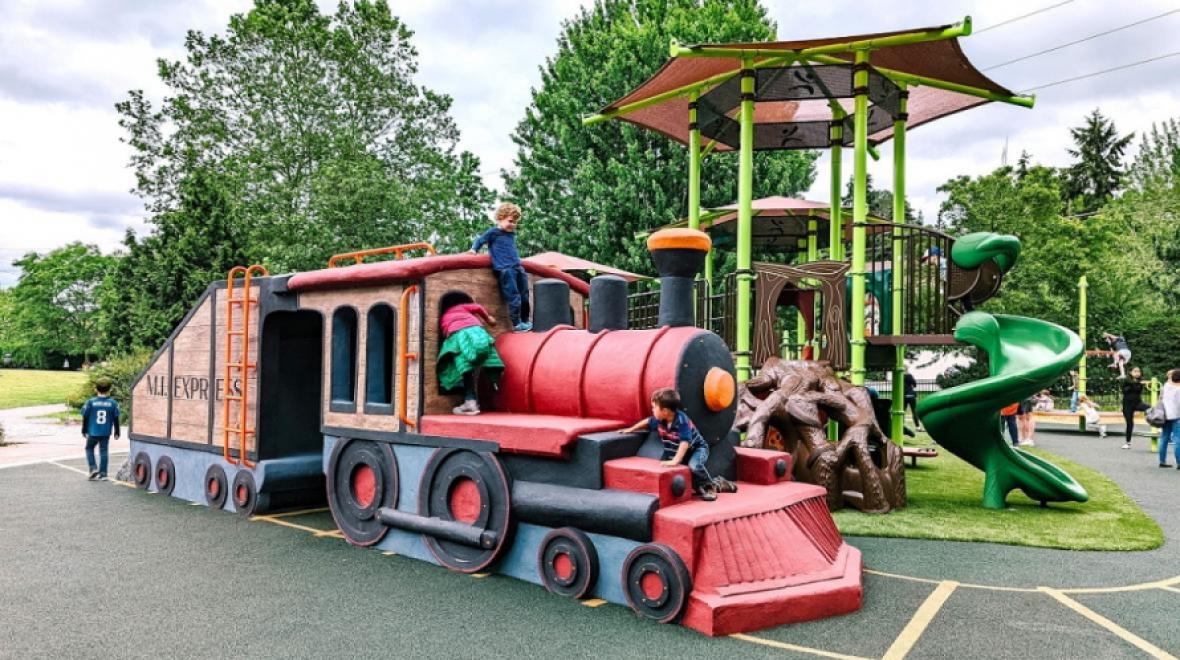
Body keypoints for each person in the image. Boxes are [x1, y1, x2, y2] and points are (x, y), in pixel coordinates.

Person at [620, 388, 717, 501]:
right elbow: (647, 422)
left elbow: (685, 442)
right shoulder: (660, 419)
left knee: (694, 466)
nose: (652, 410)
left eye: (654, 407)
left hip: (697, 449)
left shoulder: (682, 421)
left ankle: (711, 486)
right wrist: (630, 429)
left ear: (665, 411)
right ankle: (717, 483)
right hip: (682, 452)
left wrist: (675, 460)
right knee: (687, 475)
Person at [470, 202, 531, 332]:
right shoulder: (493, 232)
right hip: (505, 269)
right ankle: (516, 324)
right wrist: (473, 250)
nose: (513, 225)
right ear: (500, 218)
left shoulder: (511, 234)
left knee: (525, 294)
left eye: (515, 223)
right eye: (510, 221)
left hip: (517, 267)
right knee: (514, 296)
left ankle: (525, 321)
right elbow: (480, 240)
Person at [437, 299, 504, 416]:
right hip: (479, 331)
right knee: (488, 359)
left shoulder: (445, 316)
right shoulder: (462, 308)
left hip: (458, 334)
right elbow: (477, 307)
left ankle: (470, 402)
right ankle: (494, 385)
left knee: (465, 368)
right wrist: (488, 318)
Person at [81, 377, 121, 481]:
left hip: (93, 431)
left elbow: (85, 416)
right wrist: (117, 431)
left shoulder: (91, 402)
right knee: (103, 451)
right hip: (105, 432)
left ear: (96, 389)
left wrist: (84, 429)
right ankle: (103, 474)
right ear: (109, 390)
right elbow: (116, 418)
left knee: (89, 448)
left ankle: (93, 468)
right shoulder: (113, 403)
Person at [1118, 367, 1150, 450]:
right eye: (1135, 371)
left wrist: (1139, 383)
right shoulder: (1126, 380)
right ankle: (1127, 443)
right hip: (1127, 405)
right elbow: (1125, 390)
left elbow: (1137, 390)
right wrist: (1138, 383)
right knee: (1129, 423)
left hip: (1137, 403)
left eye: (1138, 371)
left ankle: (1150, 419)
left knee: (1150, 408)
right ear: (1131, 372)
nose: (1137, 373)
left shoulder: (1140, 381)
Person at [1159, 370, 1180, 468]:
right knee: (1177, 439)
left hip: (1165, 415)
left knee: (1164, 438)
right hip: (1176, 416)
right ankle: (1179, 462)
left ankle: (1162, 461)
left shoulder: (1166, 385)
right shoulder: (1178, 389)